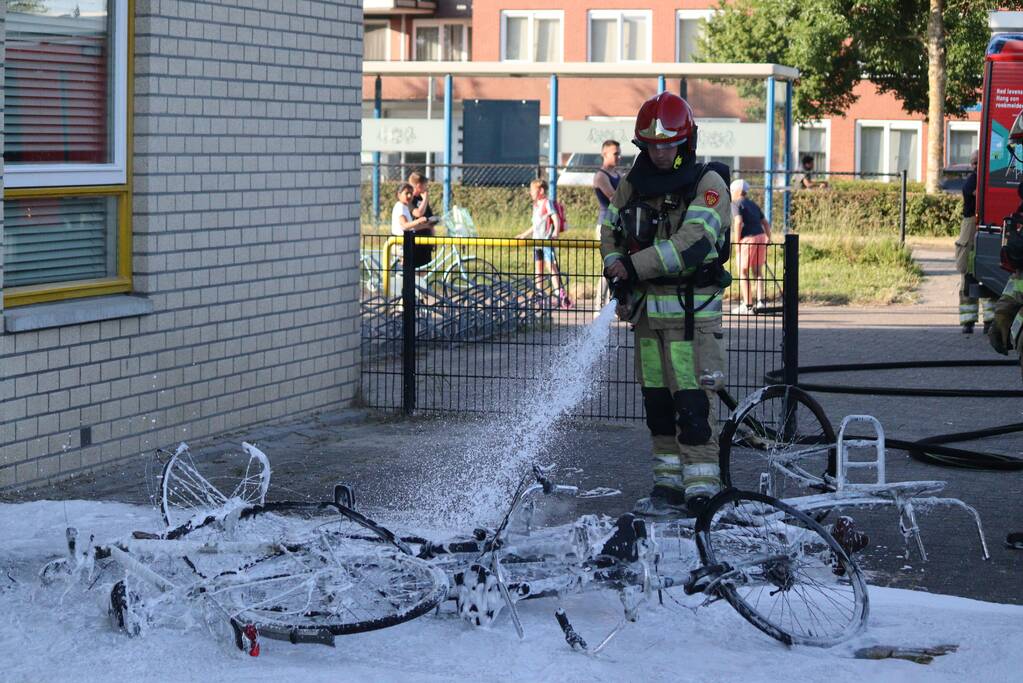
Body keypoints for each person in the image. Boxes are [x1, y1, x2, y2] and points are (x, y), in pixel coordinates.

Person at [601, 92, 731, 516]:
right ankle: (667, 489)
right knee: (658, 409)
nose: (659, 152)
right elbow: (609, 229)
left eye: (667, 144)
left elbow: (692, 243)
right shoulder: (634, 185)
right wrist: (614, 260)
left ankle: (702, 494)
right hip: (646, 323)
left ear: (685, 143)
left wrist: (634, 266)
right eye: (651, 145)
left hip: (690, 322)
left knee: (693, 409)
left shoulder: (707, 185)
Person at [955, 150, 996, 334]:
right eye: (973, 163)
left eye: (976, 163)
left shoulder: (982, 180)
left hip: (977, 226)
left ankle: (989, 320)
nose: (974, 166)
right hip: (971, 226)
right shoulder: (974, 181)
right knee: (968, 275)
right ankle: (969, 320)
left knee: (987, 274)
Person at [516, 179, 573, 309]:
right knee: (538, 270)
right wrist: (524, 235)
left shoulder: (547, 203)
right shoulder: (535, 206)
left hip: (546, 241)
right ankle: (540, 294)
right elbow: (535, 226)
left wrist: (555, 233)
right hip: (537, 242)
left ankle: (560, 294)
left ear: (541, 191)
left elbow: (555, 218)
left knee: (552, 268)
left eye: (532, 190)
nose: (530, 193)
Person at [729, 179, 772, 314]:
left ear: (736, 191)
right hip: (760, 237)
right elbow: (764, 222)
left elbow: (738, 222)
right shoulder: (752, 204)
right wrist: (769, 238)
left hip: (747, 240)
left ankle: (747, 305)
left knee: (743, 271)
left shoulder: (735, 203)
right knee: (758, 272)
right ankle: (760, 303)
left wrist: (736, 244)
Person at [593, 140, 623, 308]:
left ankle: (613, 303)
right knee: (607, 266)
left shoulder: (617, 175)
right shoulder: (601, 176)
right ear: (604, 154)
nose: (619, 156)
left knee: (616, 265)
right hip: (604, 225)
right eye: (615, 153)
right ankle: (598, 306)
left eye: (619, 153)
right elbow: (615, 199)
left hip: (617, 226)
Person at [391, 183, 437, 270]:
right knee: (405, 272)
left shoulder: (405, 207)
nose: (409, 195)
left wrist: (426, 226)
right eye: (406, 193)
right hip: (400, 244)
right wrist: (418, 221)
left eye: (411, 193)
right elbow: (404, 226)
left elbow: (411, 228)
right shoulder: (400, 207)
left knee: (409, 271)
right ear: (399, 194)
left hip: (405, 242)